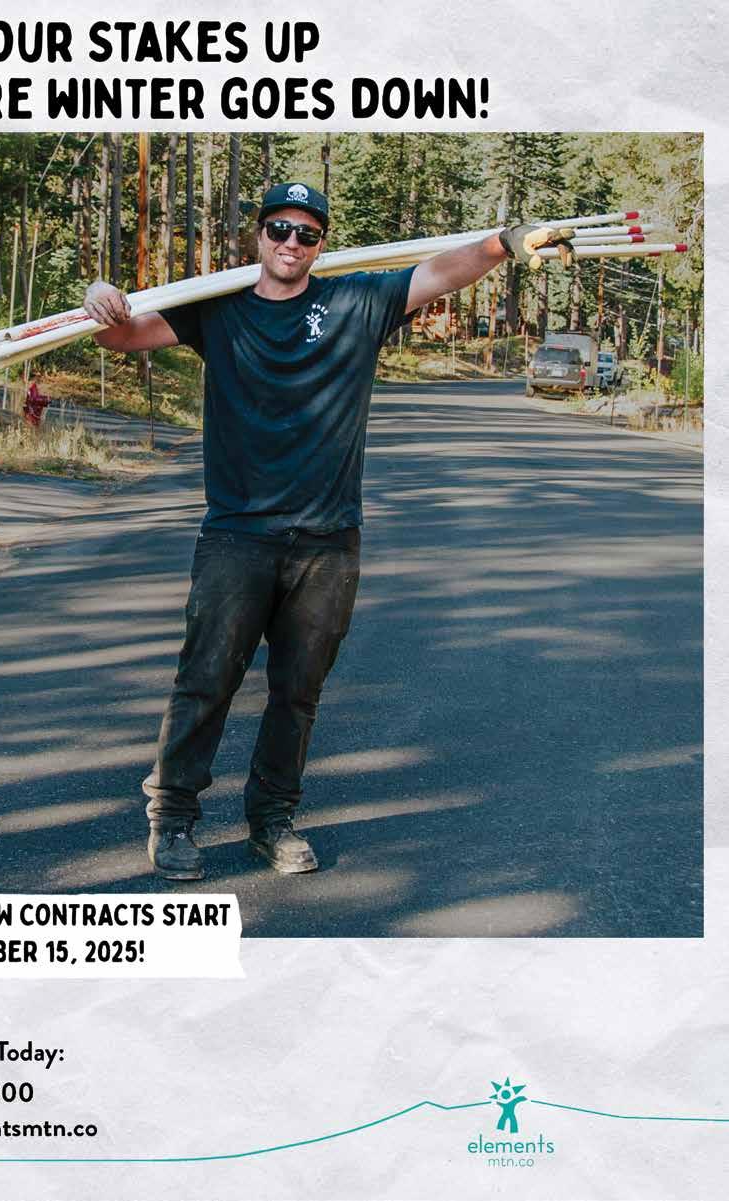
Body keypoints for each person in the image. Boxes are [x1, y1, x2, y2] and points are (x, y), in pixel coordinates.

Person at [84, 181, 573, 881]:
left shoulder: (355, 303)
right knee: (206, 680)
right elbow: (123, 335)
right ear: (259, 235)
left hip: (328, 539)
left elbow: (441, 271)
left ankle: (272, 820)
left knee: (298, 692)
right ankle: (173, 817)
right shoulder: (216, 306)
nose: (292, 243)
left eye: (307, 234)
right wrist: (103, 297)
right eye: (280, 229)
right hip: (237, 534)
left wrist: (505, 242)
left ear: (321, 244)